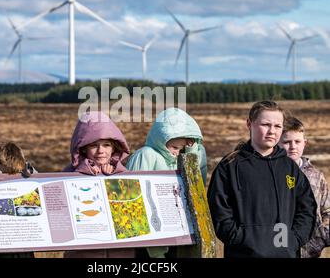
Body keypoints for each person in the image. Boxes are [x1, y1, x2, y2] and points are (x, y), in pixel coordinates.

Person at [207, 100, 317, 258]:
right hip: (243, 254)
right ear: (249, 124)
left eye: (278, 126)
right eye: (266, 124)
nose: (272, 131)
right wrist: (241, 239)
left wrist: (293, 240)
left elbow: (306, 209)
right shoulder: (230, 166)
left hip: (285, 253)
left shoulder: (289, 167)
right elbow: (219, 212)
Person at [126, 107, 207, 258]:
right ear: (161, 140)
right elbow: (134, 199)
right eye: (174, 147)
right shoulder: (146, 155)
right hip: (149, 243)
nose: (177, 152)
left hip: (178, 235)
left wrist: (190, 152)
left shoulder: (179, 159)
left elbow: (197, 187)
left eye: (181, 148)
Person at [63, 110, 136, 258]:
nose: (101, 151)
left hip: (121, 253)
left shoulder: (124, 174)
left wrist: (114, 174)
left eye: (106, 145)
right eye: (94, 145)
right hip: (83, 252)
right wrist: (85, 173)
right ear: (82, 147)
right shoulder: (68, 174)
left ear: (115, 147)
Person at [280, 116, 330, 258]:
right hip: (281, 249)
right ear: (277, 143)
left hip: (310, 251)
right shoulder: (272, 174)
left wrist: (320, 239)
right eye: (287, 142)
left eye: (297, 141)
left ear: (304, 143)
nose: (293, 146)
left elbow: (327, 210)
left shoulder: (316, 176)